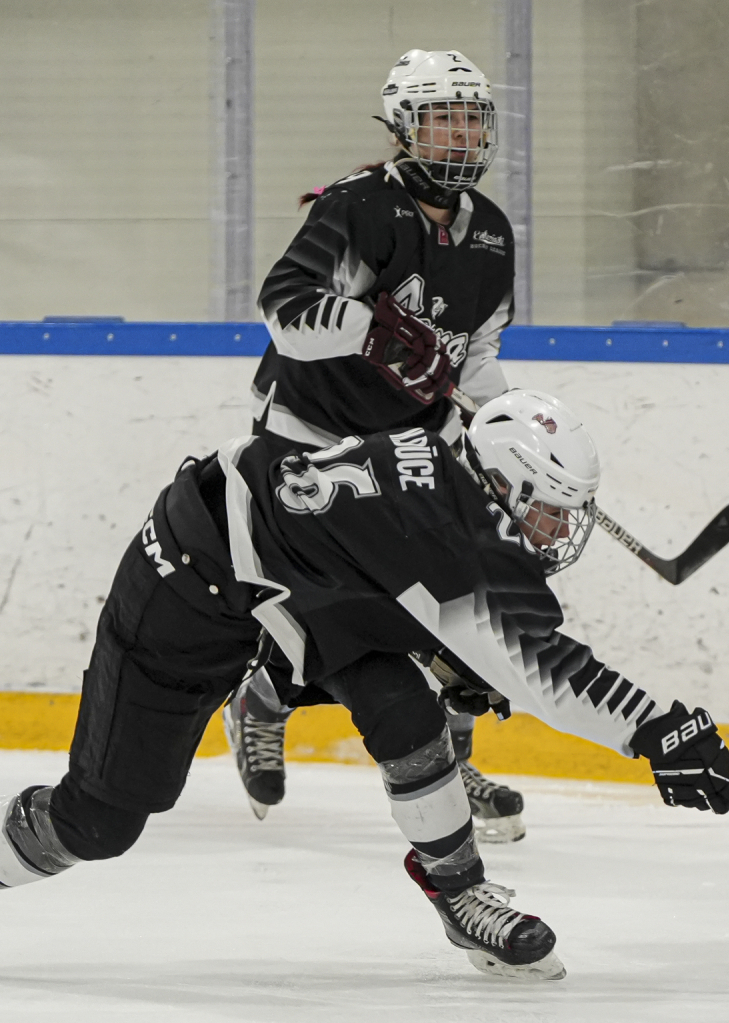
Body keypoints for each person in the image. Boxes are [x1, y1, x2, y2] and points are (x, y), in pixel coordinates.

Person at [0, 390, 729, 981]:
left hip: (304, 586)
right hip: (194, 583)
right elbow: (542, 668)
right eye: (551, 509)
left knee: (407, 705)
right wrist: (656, 730)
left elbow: (466, 619)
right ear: (504, 483)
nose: (560, 531)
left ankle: (459, 890)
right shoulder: (442, 533)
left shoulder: (450, 485)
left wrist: (470, 666)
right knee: (102, 819)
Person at [226, 48, 528, 842]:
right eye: (441, 119)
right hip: (312, 440)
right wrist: (375, 334)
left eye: (471, 119)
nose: (459, 135)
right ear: (402, 128)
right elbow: (283, 307)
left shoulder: (493, 234)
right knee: (337, 612)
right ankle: (263, 696)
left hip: (411, 445)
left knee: (470, 599)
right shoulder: (358, 207)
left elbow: (477, 355)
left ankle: (452, 760)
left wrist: (501, 434)